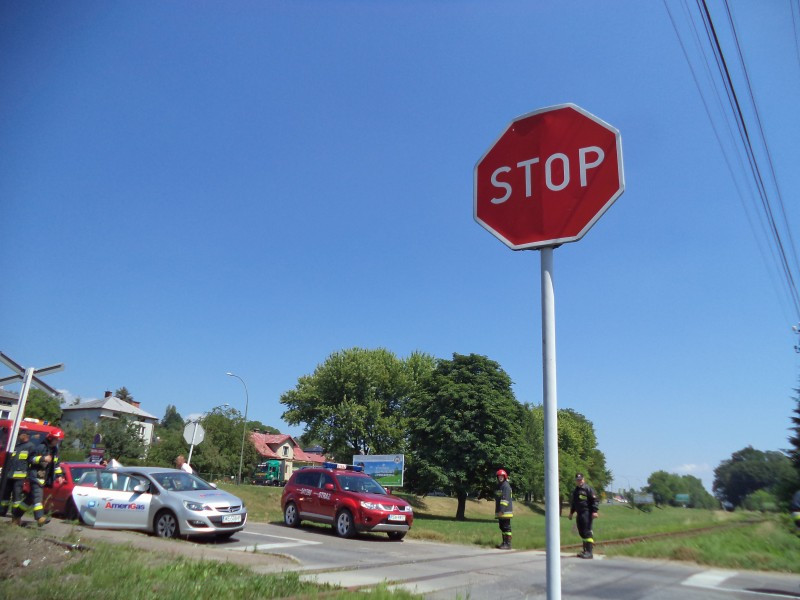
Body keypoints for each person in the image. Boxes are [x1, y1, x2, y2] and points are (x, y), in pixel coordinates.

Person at [16, 430, 65, 527]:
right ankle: (39, 518)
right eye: (56, 440)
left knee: (29, 499)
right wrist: (43, 458)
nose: (57, 442)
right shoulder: (41, 447)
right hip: (35, 476)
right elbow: (30, 459)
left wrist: (59, 476)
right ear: (51, 438)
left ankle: (16, 515)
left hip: (43, 478)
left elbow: (56, 464)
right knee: (38, 496)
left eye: (59, 440)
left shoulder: (54, 450)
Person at [0, 431, 33, 521]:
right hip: (9, 475)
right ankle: (2, 511)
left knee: (16, 495)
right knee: (5, 494)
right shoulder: (16, 446)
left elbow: (31, 461)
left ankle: (15, 513)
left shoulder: (30, 446)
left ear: (25, 436)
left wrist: (28, 474)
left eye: (20, 435)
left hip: (19, 477)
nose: (18, 437)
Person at [569, 472, 599, 559]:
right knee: (581, 532)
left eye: (581, 479)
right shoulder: (576, 491)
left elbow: (595, 500)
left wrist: (595, 511)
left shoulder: (588, 489)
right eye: (578, 480)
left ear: (583, 479)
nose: (579, 481)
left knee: (587, 531)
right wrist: (571, 513)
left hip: (587, 513)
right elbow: (574, 503)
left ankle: (589, 552)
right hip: (579, 513)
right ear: (576, 481)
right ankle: (585, 550)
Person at [494, 468, 513, 549]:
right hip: (501, 511)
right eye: (499, 476)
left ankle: (508, 544)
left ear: (505, 477)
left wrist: (502, 510)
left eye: (502, 476)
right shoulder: (500, 486)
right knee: (502, 527)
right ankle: (504, 543)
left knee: (506, 527)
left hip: (505, 511)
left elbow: (505, 499)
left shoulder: (506, 486)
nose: (500, 477)